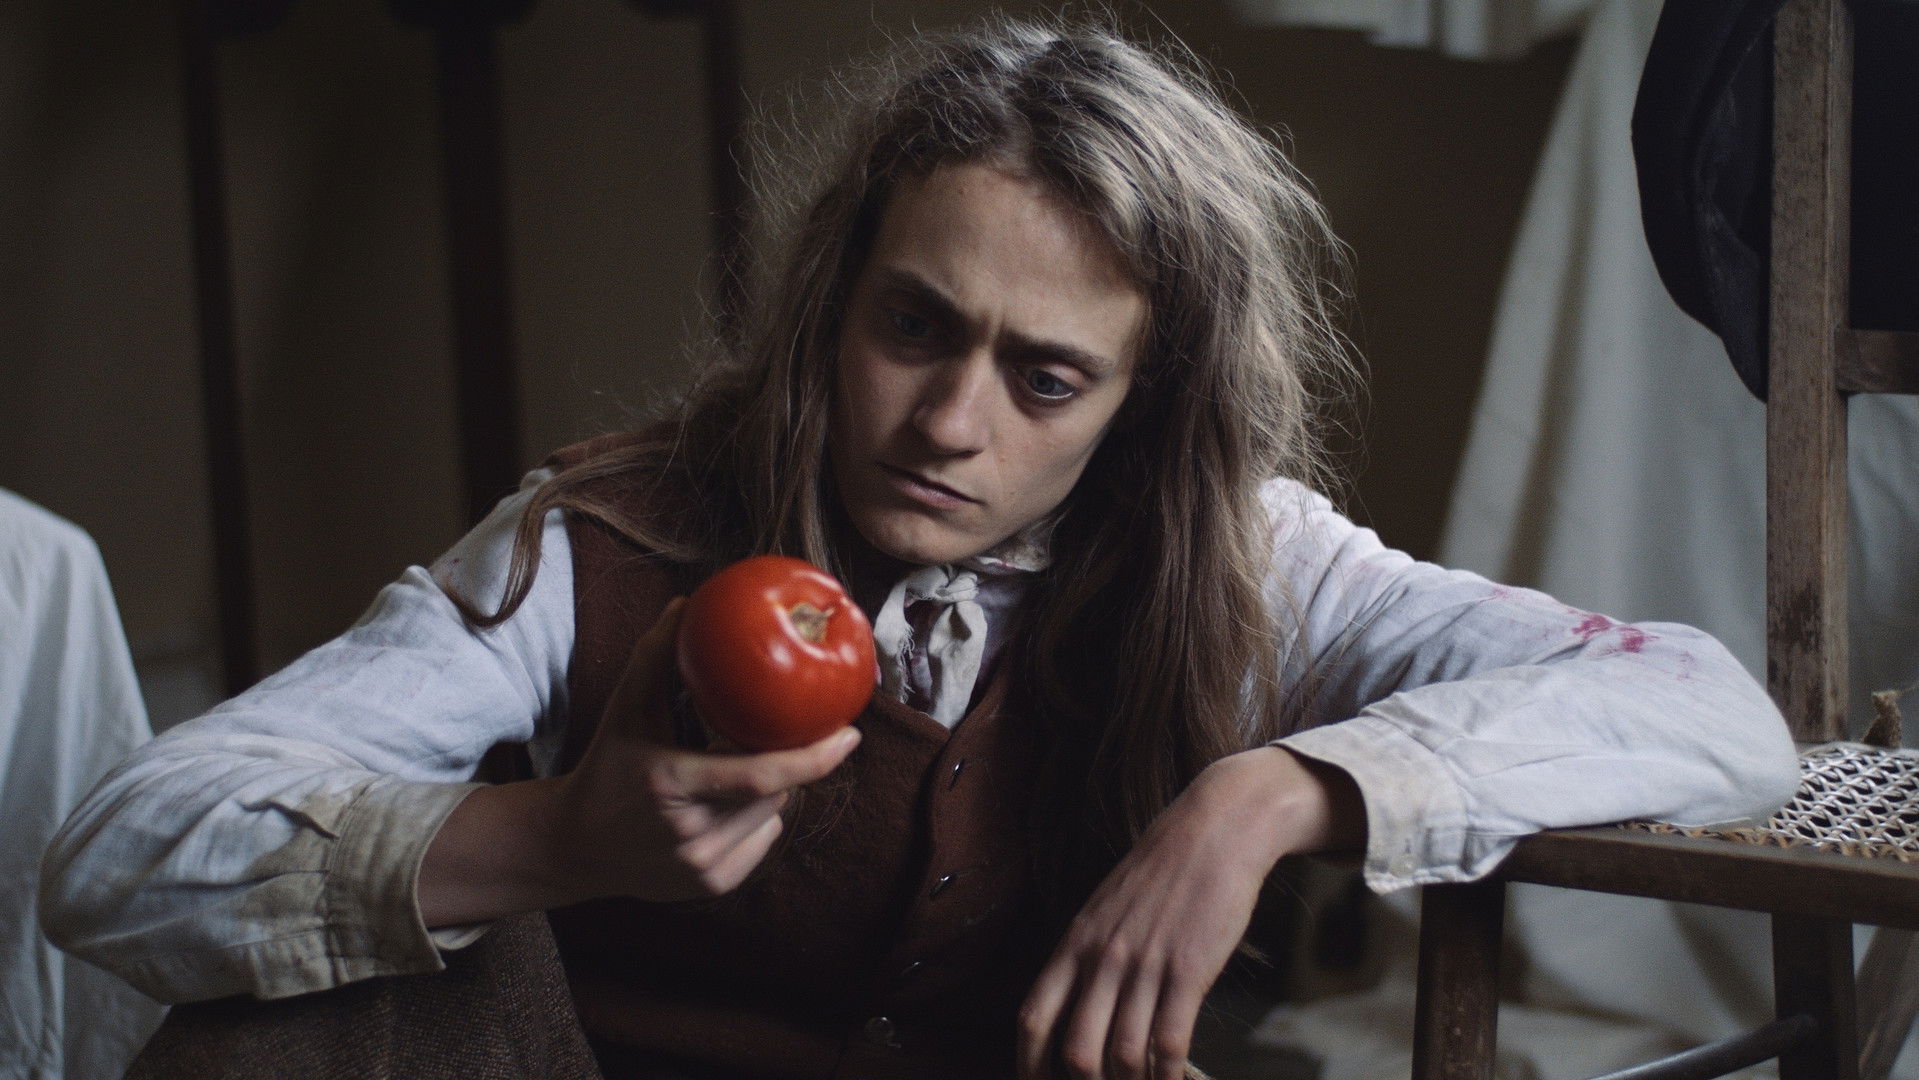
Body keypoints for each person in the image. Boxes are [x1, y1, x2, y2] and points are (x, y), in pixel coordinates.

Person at [40, 16, 1798, 1080]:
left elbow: (1708, 706)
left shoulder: (1241, 564)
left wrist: (1268, 797)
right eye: (913, 327)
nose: (952, 421)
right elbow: (119, 852)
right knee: (286, 1021)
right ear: (835, 299)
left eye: (1045, 377)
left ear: (1142, 403)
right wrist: (549, 838)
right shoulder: (604, 537)